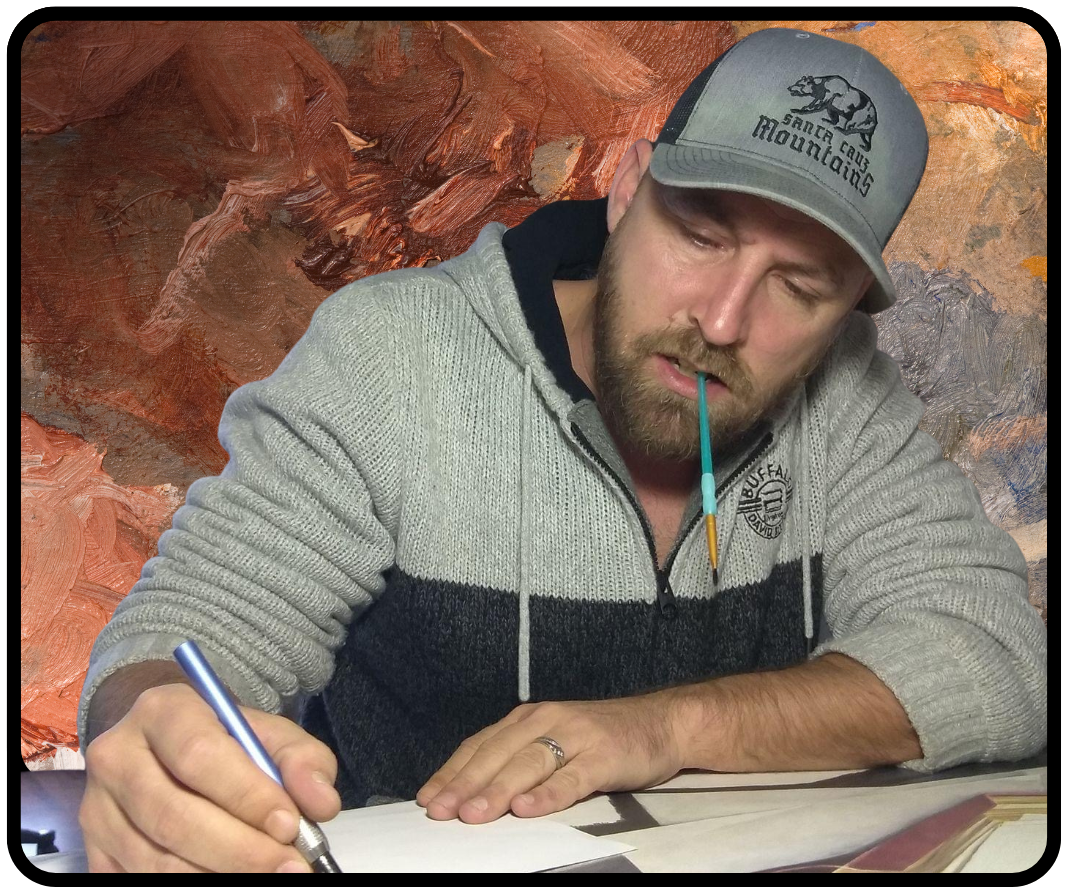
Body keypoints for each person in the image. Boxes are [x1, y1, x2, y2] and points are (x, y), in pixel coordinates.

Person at [76, 28, 1046, 872]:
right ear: (626, 189)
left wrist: (667, 727)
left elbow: (997, 657)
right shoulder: (389, 355)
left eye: (798, 287)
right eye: (701, 235)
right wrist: (156, 729)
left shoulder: (847, 395)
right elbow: (196, 633)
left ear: (845, 313)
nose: (720, 321)